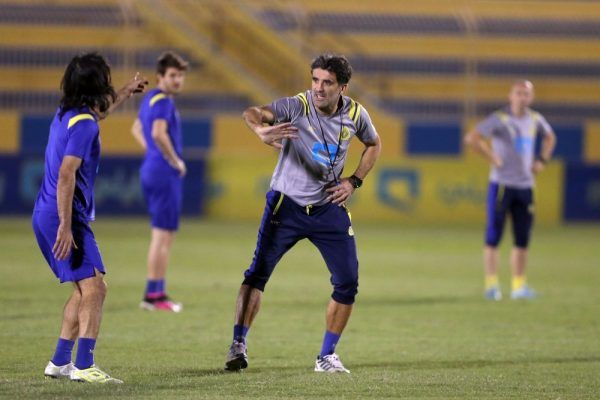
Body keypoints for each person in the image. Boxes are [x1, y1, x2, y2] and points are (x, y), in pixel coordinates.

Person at [224, 53, 382, 373]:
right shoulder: (297, 106)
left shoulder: (355, 113)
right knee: (257, 274)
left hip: (328, 208)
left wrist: (354, 181)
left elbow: (373, 144)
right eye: (315, 80)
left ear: (343, 87)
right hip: (286, 205)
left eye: (327, 82)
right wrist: (260, 130)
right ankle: (238, 343)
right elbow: (253, 112)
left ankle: (326, 356)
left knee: (348, 281)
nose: (318, 88)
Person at [32, 52, 147, 383]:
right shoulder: (84, 125)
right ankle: (84, 366)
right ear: (98, 84)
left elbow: (99, 113)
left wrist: (125, 91)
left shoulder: (68, 113)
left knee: (84, 289)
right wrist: (67, 227)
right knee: (96, 288)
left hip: (46, 211)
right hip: (63, 215)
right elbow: (68, 174)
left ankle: (59, 361)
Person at [465, 80, 556, 301]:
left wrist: (542, 160)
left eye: (526, 94)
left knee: (522, 239)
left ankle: (518, 286)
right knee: (493, 237)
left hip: (525, 186)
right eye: (519, 93)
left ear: (531, 97)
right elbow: (472, 138)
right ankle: (492, 285)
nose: (522, 98)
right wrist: (491, 157)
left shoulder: (535, 119)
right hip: (502, 185)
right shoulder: (500, 119)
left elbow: (550, 137)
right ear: (510, 96)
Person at [131, 51, 188, 312]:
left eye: (180, 76)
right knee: (163, 236)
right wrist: (175, 161)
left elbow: (137, 129)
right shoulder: (163, 101)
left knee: (161, 234)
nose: (177, 80)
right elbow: (157, 133)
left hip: (153, 168)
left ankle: (153, 293)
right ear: (160, 77)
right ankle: (155, 295)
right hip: (164, 172)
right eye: (173, 75)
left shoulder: (150, 99)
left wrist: (152, 152)